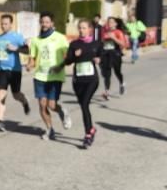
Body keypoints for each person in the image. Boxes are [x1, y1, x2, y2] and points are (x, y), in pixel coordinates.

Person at [28, 12, 71, 141]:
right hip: (40, 76)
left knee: (52, 106)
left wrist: (61, 66)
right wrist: (29, 65)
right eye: (42, 22)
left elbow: (68, 56)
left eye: (47, 22)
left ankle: (62, 111)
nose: (44, 24)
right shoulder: (36, 40)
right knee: (42, 104)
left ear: (52, 23)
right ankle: (49, 129)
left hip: (55, 76)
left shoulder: (60, 37)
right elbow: (33, 58)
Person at [61, 19, 102, 148]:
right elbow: (68, 61)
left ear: (90, 29)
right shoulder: (74, 44)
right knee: (84, 106)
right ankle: (92, 129)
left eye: (84, 28)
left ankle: (88, 135)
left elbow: (102, 56)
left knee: (84, 104)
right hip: (78, 80)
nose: (81, 30)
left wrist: (99, 59)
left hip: (92, 80)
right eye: (80, 28)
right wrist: (74, 55)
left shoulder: (97, 44)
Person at [0, 13, 31, 132]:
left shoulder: (17, 37)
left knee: (16, 94)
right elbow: (0, 50)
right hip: (1, 70)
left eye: (6, 24)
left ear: (11, 24)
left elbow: (27, 50)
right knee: (0, 95)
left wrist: (16, 49)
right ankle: (0, 121)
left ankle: (24, 101)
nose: (3, 26)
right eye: (2, 24)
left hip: (14, 70)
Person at [100, 16, 128, 100]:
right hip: (106, 55)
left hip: (115, 54)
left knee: (117, 72)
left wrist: (114, 38)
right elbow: (102, 44)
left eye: (112, 22)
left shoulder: (118, 32)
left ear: (116, 24)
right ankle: (107, 92)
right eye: (109, 22)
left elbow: (123, 44)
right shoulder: (105, 32)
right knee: (107, 74)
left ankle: (122, 83)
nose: (110, 24)